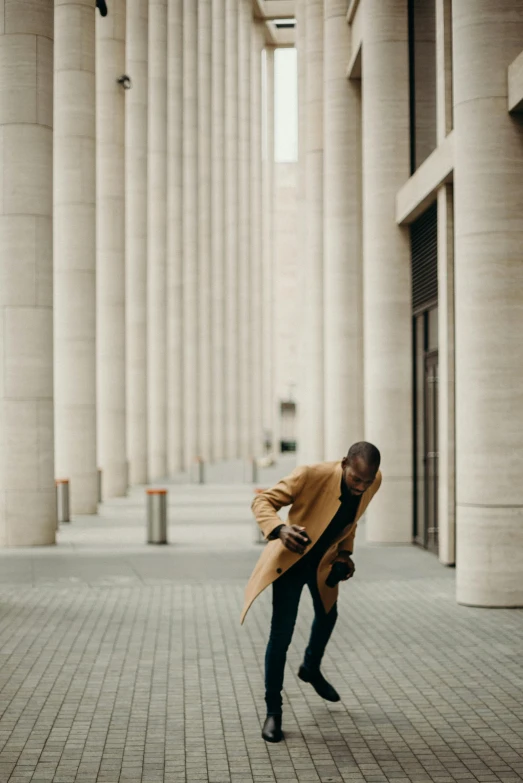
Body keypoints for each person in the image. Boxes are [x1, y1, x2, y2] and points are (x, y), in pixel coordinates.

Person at [240, 442, 382, 743]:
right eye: (356, 480)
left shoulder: (373, 480)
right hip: (291, 562)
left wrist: (345, 554)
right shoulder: (310, 474)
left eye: (366, 482)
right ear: (345, 464)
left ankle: (310, 667)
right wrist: (280, 530)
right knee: (281, 636)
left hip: (324, 565)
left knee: (328, 616)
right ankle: (273, 713)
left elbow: (351, 522)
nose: (361, 487)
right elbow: (262, 502)